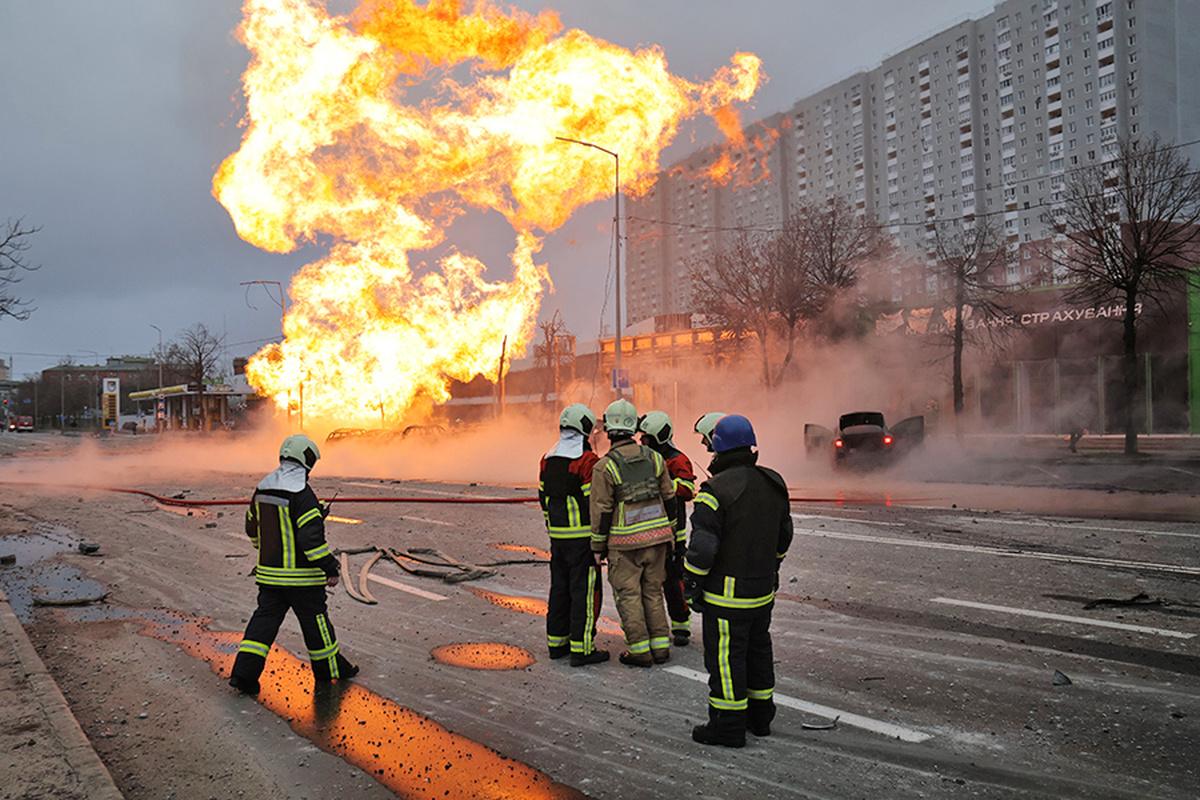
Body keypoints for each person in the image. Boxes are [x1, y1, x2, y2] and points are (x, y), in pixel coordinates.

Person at [684, 415, 793, 747]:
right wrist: (771, 569)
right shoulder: (774, 482)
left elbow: (703, 550)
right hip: (762, 593)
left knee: (726, 659)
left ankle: (728, 725)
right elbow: (783, 536)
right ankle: (760, 718)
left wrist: (691, 584)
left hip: (727, 599)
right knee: (758, 652)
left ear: (717, 448)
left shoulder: (714, 492)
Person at [229, 434, 357, 695]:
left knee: (262, 625)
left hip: (270, 577)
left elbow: (252, 526)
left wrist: (263, 551)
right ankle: (329, 671)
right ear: (307, 460)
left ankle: (243, 675)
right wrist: (330, 566)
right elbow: (310, 541)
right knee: (316, 623)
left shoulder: (263, 488)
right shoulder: (303, 494)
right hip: (301, 580)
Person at [590, 399, 677, 667]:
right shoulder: (655, 458)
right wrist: (670, 533)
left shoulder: (605, 467)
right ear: (633, 428)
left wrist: (597, 547)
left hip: (625, 544)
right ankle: (661, 647)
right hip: (658, 539)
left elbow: (602, 511)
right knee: (652, 591)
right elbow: (669, 497)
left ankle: (640, 650)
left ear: (609, 431)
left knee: (628, 595)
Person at [539, 403, 609, 667]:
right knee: (585, 593)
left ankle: (557, 644)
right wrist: (600, 540)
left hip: (558, 539)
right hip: (583, 542)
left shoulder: (547, 458)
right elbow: (596, 504)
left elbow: (543, 498)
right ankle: (583, 649)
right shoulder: (587, 461)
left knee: (560, 590)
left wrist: (552, 529)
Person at [638, 411, 697, 647]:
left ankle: (681, 625)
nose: (643, 442)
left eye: (647, 438)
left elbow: (687, 489)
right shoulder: (645, 458)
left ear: (658, 438)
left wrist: (662, 484)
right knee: (649, 581)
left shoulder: (677, 460)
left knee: (673, 581)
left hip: (674, 532)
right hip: (649, 528)